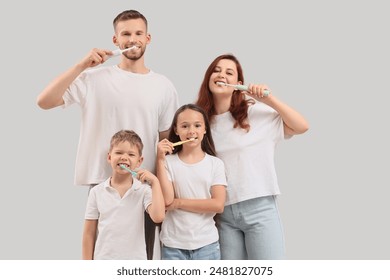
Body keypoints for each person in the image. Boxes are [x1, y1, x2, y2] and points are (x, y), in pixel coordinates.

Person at [36, 10, 179, 259]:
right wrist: (82, 64)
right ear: (115, 40)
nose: (132, 39)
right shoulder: (94, 78)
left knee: (141, 258)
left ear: (148, 38)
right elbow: (44, 101)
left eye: (138, 33)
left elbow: (166, 142)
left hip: (142, 184)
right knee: (100, 254)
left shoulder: (164, 86)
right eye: (125, 34)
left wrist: (159, 184)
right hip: (101, 181)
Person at [195, 54, 309, 260]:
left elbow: (301, 126)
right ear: (208, 78)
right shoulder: (200, 123)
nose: (221, 75)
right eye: (217, 70)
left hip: (259, 208)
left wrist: (269, 99)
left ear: (239, 84)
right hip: (222, 215)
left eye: (229, 72)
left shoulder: (255, 113)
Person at [156, 104, 227, 260]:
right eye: (184, 126)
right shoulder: (167, 162)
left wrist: (179, 203)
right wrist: (160, 159)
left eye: (197, 125)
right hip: (173, 245)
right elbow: (168, 200)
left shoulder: (215, 164)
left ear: (205, 129)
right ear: (176, 130)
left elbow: (217, 205)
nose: (191, 131)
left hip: (207, 244)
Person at [82, 130, 165, 260]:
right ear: (109, 157)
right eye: (119, 152)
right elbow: (89, 233)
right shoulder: (96, 192)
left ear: (139, 161)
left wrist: (155, 182)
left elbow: (158, 217)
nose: (124, 157)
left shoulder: (144, 191)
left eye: (131, 154)